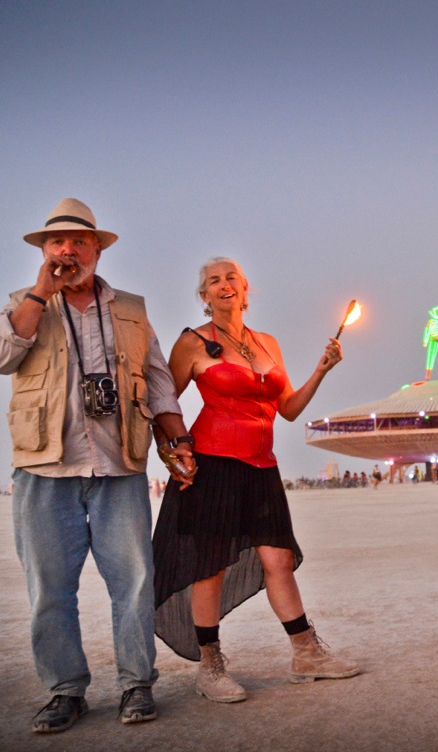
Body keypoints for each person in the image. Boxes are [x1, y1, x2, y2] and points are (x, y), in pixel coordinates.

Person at [0, 198, 196, 733]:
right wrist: (39, 293)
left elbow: (160, 380)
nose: (68, 250)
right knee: (50, 587)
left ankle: (135, 684)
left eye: (80, 241)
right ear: (44, 251)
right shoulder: (22, 305)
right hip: (45, 468)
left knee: (134, 581)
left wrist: (177, 441)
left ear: (97, 249)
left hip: (119, 464)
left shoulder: (131, 309)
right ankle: (64, 690)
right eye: (57, 242)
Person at [152, 257, 359, 703]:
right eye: (214, 281)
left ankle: (307, 654)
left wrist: (322, 370)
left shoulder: (267, 343)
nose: (224, 285)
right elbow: (163, 402)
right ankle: (210, 667)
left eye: (232, 278)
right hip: (213, 467)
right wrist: (173, 450)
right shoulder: (192, 343)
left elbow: (287, 408)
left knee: (279, 561)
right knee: (210, 567)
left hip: (263, 466)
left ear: (246, 290)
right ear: (204, 296)